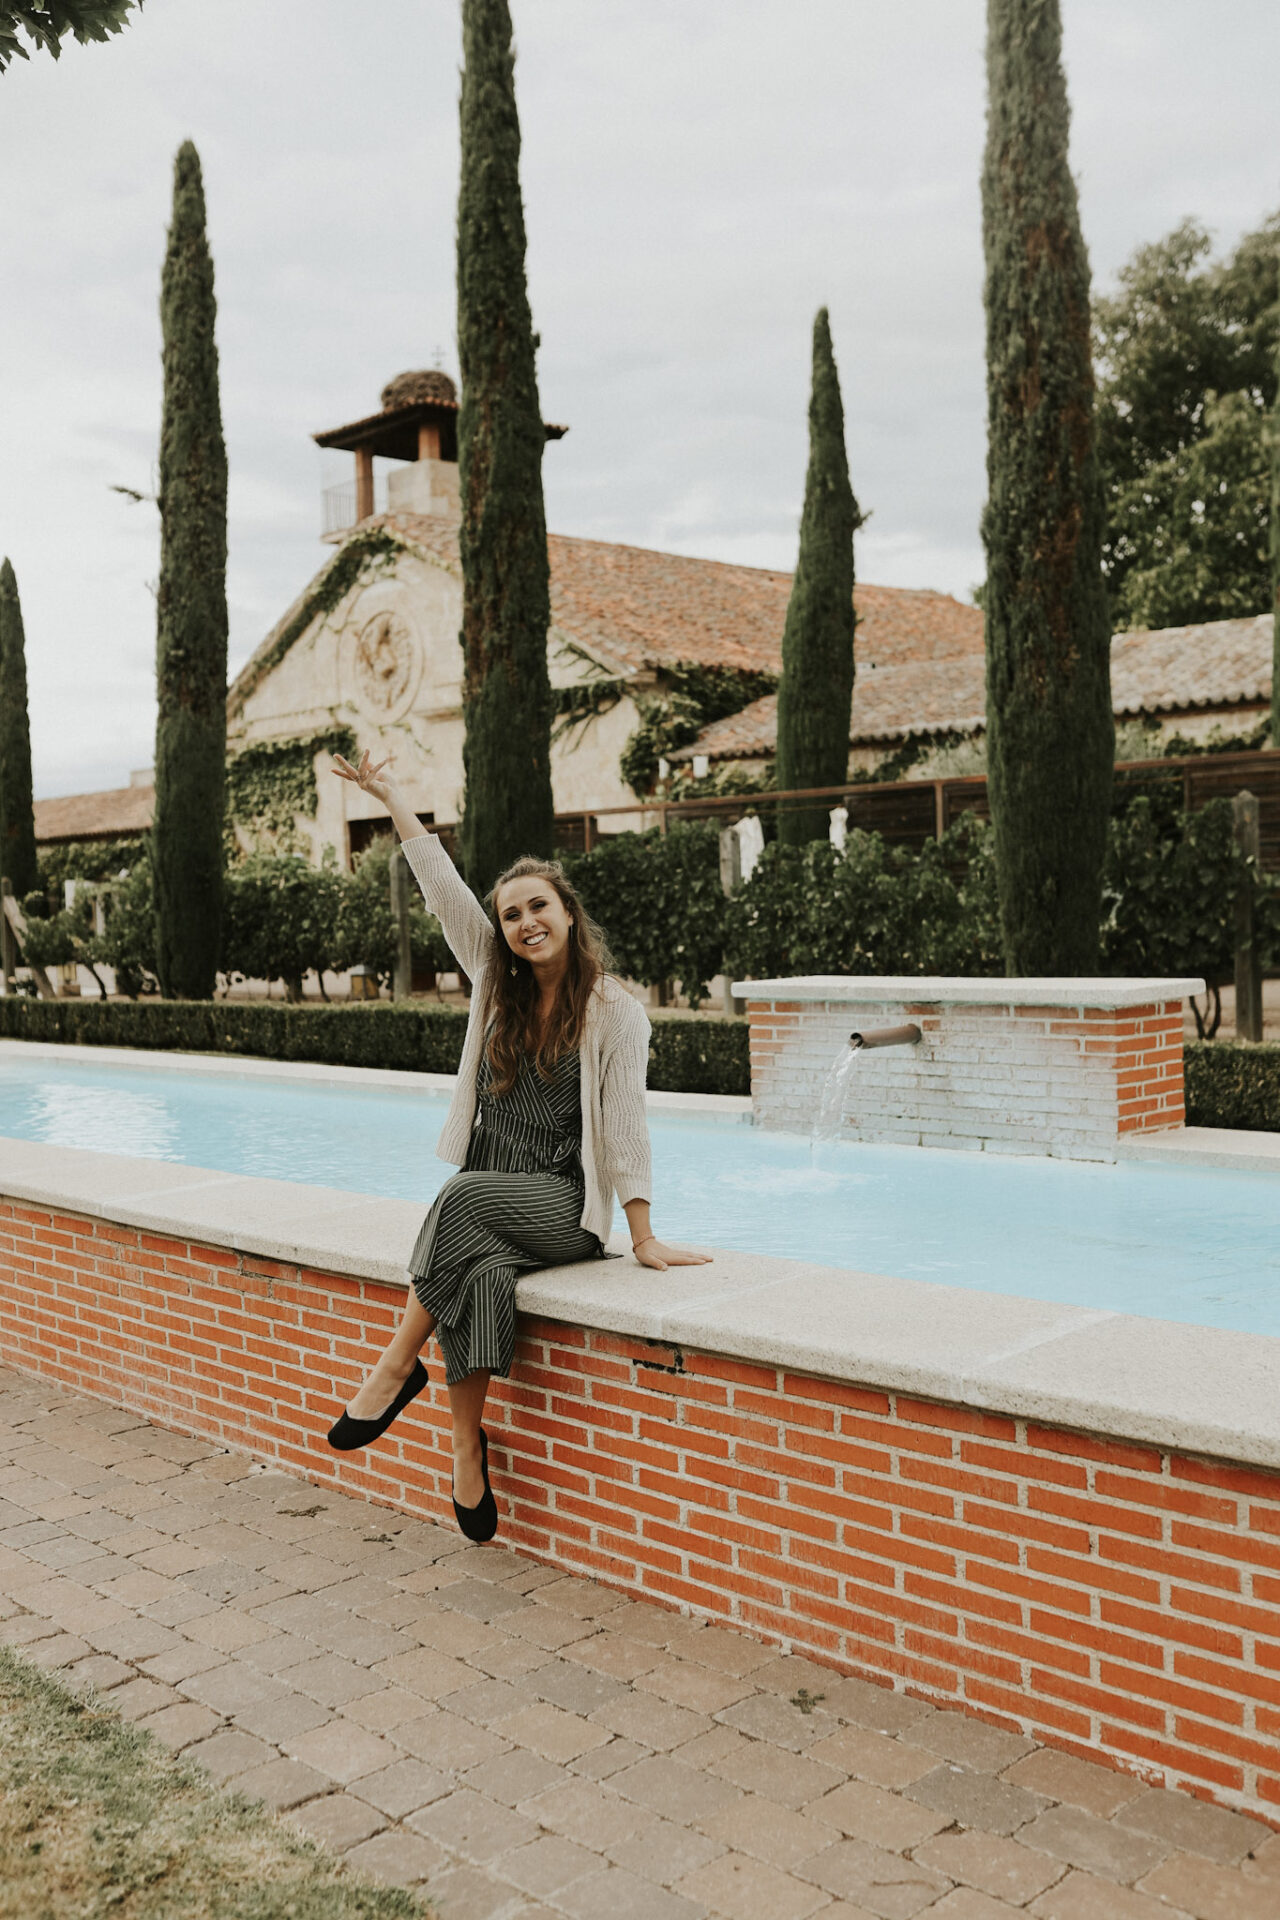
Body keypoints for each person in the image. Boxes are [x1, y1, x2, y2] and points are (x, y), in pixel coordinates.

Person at [324, 750, 711, 1542]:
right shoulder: (494, 983)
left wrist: (640, 1234)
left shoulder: (616, 1013)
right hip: (494, 1202)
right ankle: (467, 1447)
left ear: (567, 913)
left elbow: (626, 1125)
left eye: (539, 907)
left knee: (461, 1198)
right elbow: (441, 888)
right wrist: (395, 798)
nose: (525, 923)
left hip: (560, 1204)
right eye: (511, 915)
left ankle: (395, 1367)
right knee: (483, 1274)